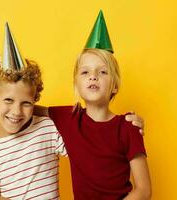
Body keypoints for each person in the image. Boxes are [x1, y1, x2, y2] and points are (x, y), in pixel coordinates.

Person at [35, 10, 152, 199]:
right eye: (85, 72)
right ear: (77, 84)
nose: (93, 76)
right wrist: (6, 69)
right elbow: (23, 107)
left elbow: (144, 190)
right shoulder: (69, 117)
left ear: (114, 86)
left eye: (103, 72)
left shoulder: (128, 126)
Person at [0, 23, 67, 200]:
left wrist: (127, 125)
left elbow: (86, 140)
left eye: (26, 103)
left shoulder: (47, 128)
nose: (16, 111)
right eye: (8, 100)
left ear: (35, 101)